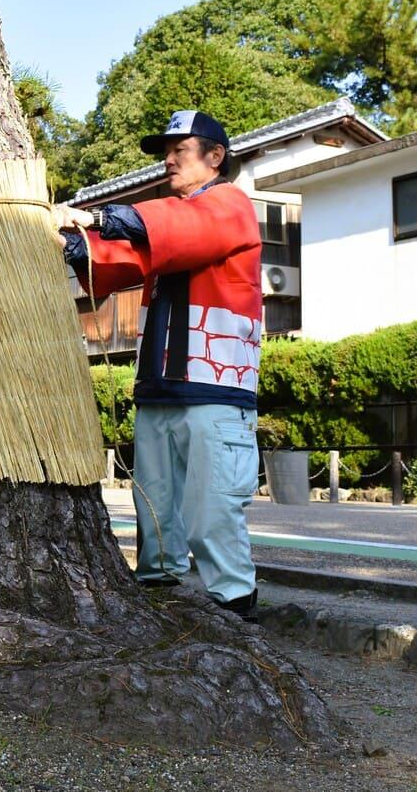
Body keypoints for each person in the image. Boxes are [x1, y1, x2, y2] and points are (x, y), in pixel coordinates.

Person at [57, 110, 263, 621]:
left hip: (216, 387)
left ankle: (236, 606)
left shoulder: (229, 204)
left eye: (181, 149)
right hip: (159, 387)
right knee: (155, 508)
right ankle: (158, 595)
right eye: (165, 151)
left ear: (215, 157)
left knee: (212, 510)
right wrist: (67, 244)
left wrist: (98, 216)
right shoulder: (174, 225)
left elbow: (173, 227)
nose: (168, 160)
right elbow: (127, 257)